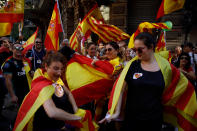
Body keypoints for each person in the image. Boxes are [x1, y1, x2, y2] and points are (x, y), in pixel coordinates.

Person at [99, 32, 197, 131]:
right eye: (135, 50)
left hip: (154, 121)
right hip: (132, 121)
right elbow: (121, 90)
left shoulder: (166, 68)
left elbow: (183, 88)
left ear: (151, 47)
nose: (137, 53)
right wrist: (116, 112)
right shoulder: (133, 65)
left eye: (140, 50)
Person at [13, 51, 82, 131]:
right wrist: (77, 117)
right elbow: (52, 112)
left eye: (62, 69)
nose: (59, 73)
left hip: (59, 125)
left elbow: (69, 93)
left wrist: (75, 108)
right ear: (46, 66)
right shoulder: (42, 85)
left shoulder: (56, 79)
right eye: (56, 68)